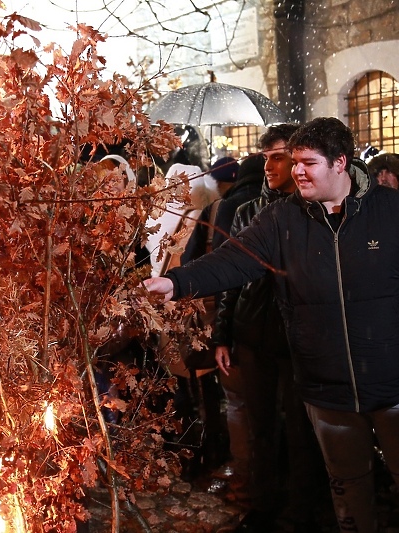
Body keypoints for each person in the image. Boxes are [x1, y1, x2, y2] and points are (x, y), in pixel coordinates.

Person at [143, 117, 399, 533]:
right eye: (294, 162)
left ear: (340, 163)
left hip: (396, 382)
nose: (297, 171)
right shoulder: (283, 219)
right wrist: (176, 281)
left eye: (308, 162)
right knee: (347, 486)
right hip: (326, 387)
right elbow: (235, 259)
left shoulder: (396, 212)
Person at [212, 123, 330, 532]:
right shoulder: (248, 211)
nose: (269, 166)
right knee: (260, 426)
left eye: (278, 157)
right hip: (253, 334)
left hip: (297, 337)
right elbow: (231, 277)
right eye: (265, 158)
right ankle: (264, 503)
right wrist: (222, 335)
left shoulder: (313, 211)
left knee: (300, 431)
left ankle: (301, 509)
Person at [179, 155, 264, 490]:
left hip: (231, 319)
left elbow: (193, 261)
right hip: (271, 326)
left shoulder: (220, 209)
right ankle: (274, 473)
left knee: (238, 401)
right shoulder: (289, 208)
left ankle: (244, 469)